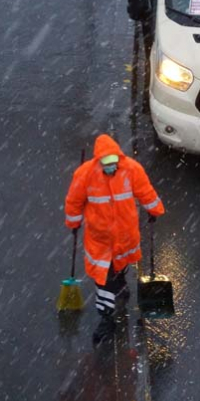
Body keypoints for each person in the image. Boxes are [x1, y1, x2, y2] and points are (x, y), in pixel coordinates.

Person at [64, 134, 165, 336]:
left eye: (114, 163)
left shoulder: (132, 170)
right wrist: (73, 222)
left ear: (119, 158)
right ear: (98, 160)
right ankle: (106, 317)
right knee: (103, 279)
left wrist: (155, 210)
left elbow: (146, 192)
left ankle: (120, 288)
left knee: (118, 267)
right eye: (106, 163)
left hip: (124, 237)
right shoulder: (85, 174)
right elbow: (74, 201)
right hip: (99, 240)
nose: (111, 167)